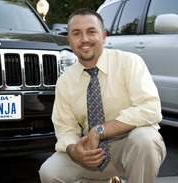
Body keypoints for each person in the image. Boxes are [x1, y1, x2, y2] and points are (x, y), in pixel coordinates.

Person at [39, 9, 166, 183]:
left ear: (104, 36)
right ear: (69, 41)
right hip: (91, 152)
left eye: (91, 32)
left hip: (128, 145)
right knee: (50, 171)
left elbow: (150, 109)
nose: (85, 39)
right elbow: (65, 129)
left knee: (145, 139)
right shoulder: (65, 81)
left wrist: (100, 130)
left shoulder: (129, 63)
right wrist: (74, 150)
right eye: (77, 34)